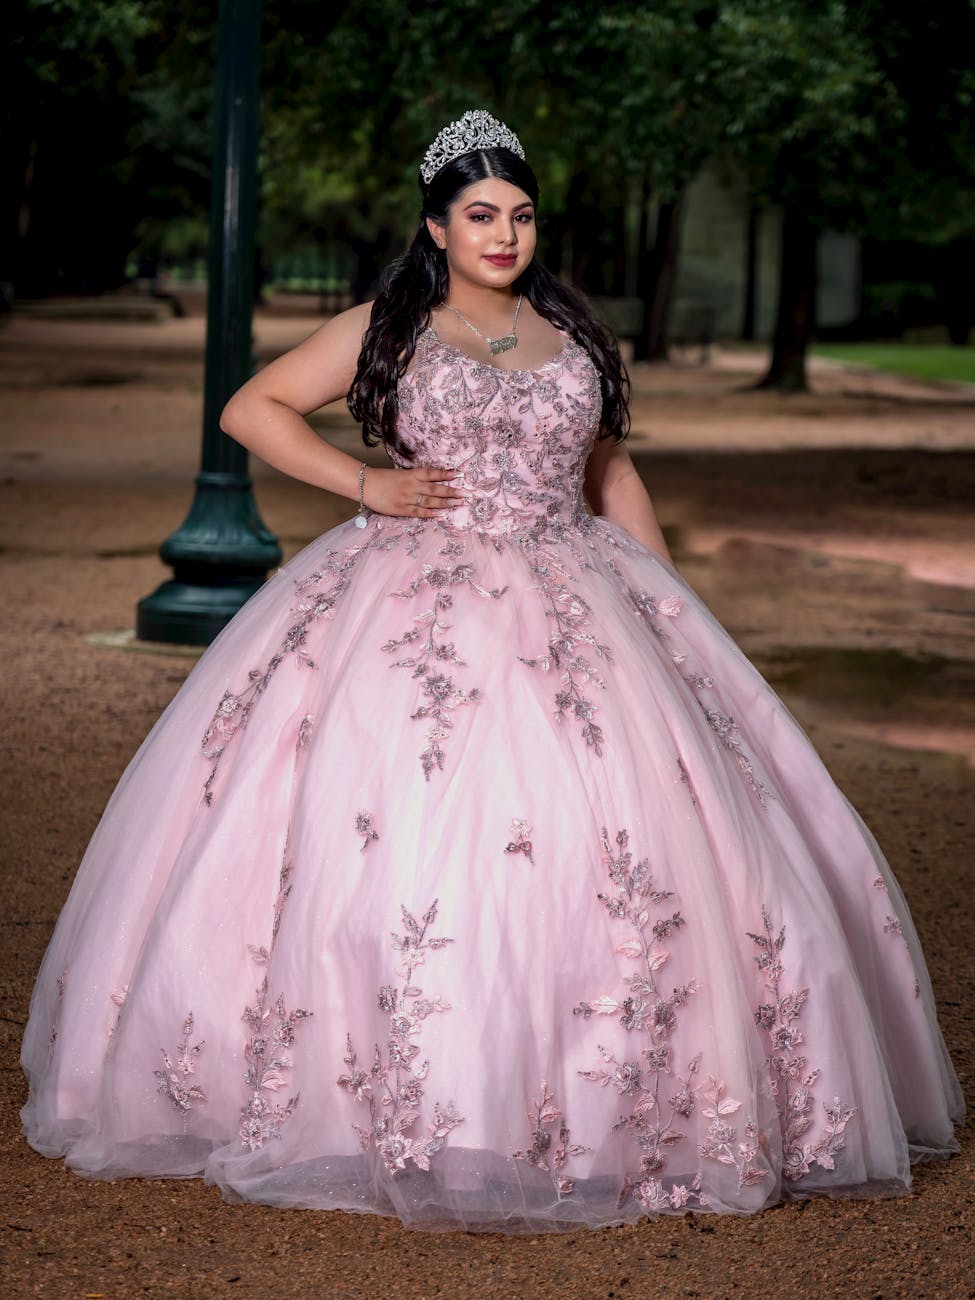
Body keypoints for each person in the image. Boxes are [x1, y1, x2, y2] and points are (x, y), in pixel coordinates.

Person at [21, 110, 962, 1233]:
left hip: (580, 593)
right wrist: (365, 485)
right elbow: (249, 408)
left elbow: (611, 477)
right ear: (437, 227)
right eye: (480, 216)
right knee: (408, 835)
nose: (503, 235)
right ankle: (400, 1104)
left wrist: (674, 614)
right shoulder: (390, 325)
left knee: (633, 846)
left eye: (519, 215)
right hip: (414, 608)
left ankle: (615, 1110)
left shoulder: (573, 333)